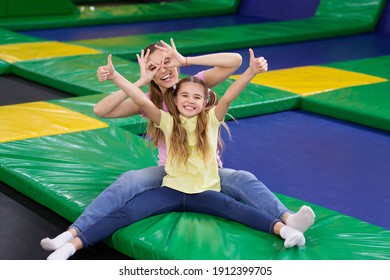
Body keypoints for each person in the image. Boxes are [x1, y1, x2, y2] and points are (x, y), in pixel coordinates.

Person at [41, 39, 315, 257]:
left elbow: (235, 62)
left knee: (243, 179)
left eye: (167, 61)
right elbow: (102, 109)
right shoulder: (148, 100)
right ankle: (73, 233)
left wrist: (185, 59)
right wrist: (137, 80)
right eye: (154, 66)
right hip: (169, 172)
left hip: (207, 172)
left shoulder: (194, 85)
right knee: (130, 180)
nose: (164, 68)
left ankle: (288, 219)